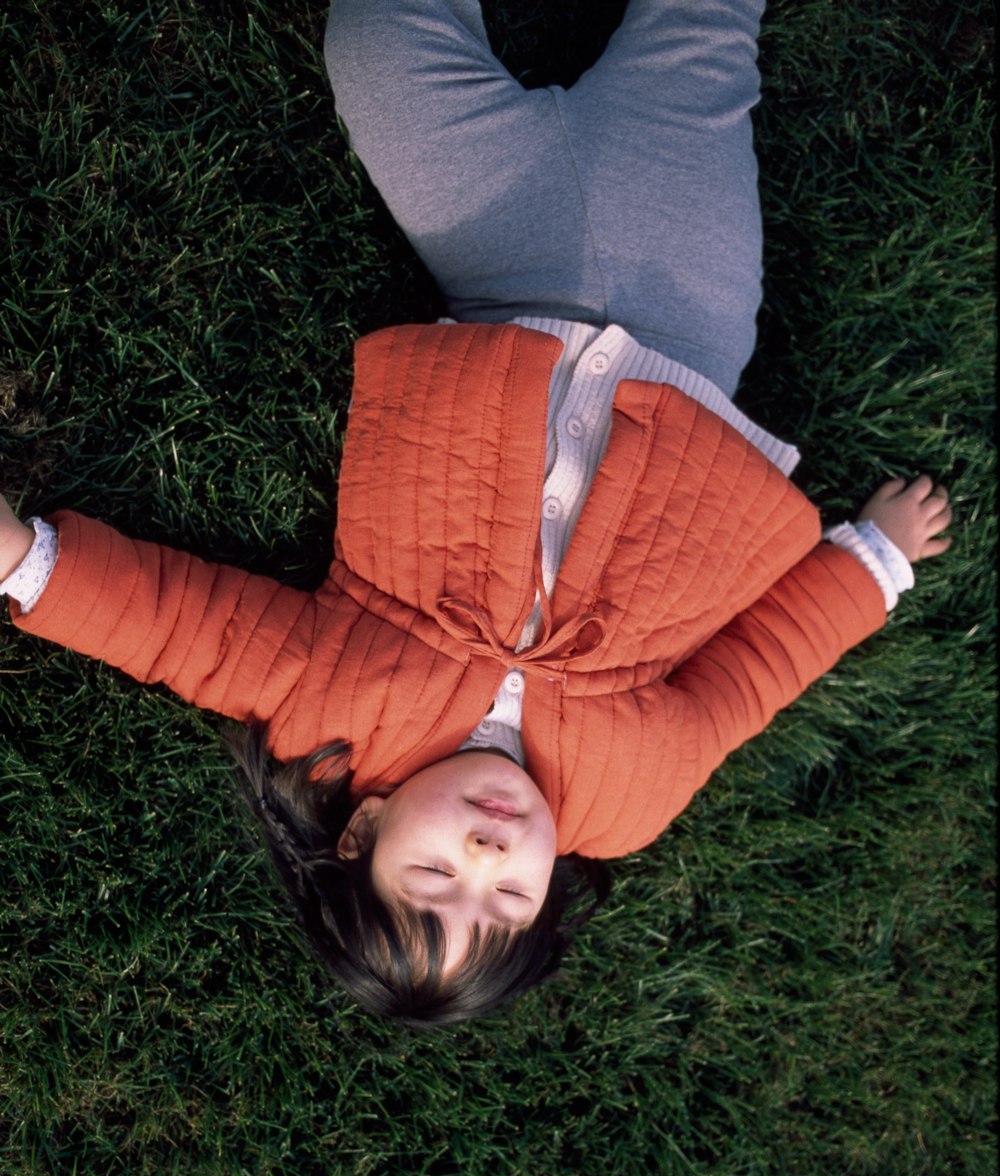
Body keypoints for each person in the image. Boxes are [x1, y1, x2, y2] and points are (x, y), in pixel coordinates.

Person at [0, 0, 952, 1025]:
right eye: (507, 895)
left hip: (502, 272)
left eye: (434, 876)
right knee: (698, 33)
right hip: (691, 312)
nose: (489, 855)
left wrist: (24, 565)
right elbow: (749, 678)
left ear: (362, 831)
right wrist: (872, 564)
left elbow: (187, 632)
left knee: (375, 41)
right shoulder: (630, 799)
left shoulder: (337, 716)